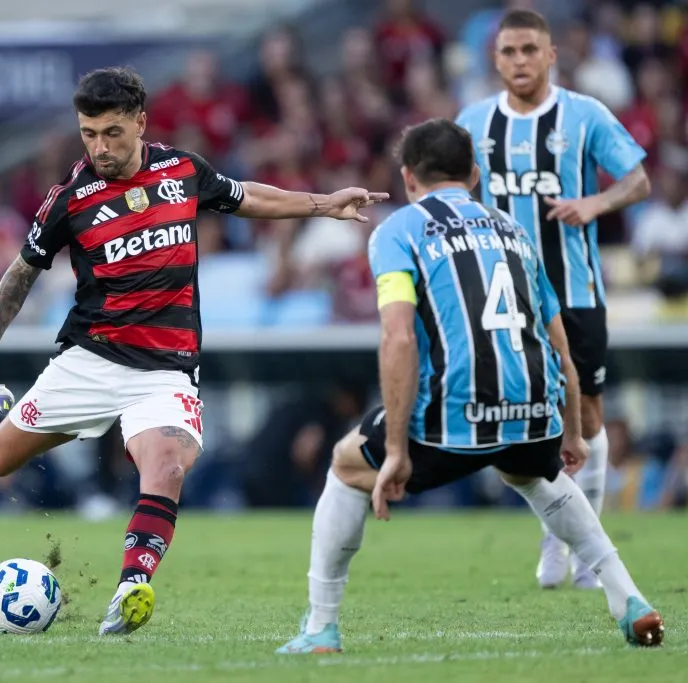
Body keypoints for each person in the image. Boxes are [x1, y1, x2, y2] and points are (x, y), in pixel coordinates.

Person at [0, 66, 387, 635]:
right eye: (89, 134)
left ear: (140, 122)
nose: (100, 147)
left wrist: (322, 204)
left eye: (112, 133)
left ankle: (131, 586)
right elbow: (20, 274)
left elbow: (248, 199)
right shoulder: (72, 198)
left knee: (164, 464)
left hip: (165, 372)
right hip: (91, 360)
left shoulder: (182, 171)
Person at [276, 118, 663, 654]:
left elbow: (399, 339)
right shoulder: (514, 230)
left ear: (408, 177)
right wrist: (570, 431)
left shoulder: (398, 230)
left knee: (346, 466)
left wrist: (393, 451)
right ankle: (630, 600)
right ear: (476, 174)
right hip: (533, 404)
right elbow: (560, 347)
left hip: (455, 408)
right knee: (535, 472)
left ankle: (321, 627)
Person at [455, 9, 651, 590]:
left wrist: (593, 205)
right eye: (509, 51)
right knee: (524, 421)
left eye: (529, 50)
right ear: (495, 58)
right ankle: (558, 531)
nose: (519, 61)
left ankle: (586, 551)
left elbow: (637, 179)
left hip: (575, 290)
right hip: (504, 297)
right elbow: (452, 192)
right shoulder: (474, 122)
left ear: (550, 55)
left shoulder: (583, 115)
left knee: (585, 414)